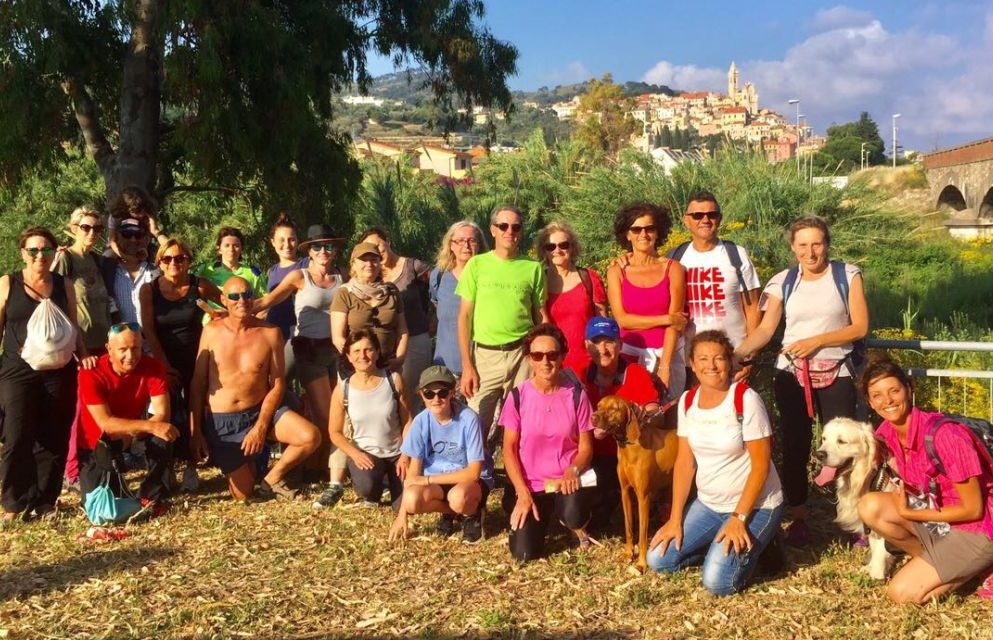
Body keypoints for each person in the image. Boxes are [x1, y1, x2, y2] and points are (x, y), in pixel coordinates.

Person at [736, 215, 869, 547]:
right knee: (795, 447)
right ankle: (798, 517)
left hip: (837, 372)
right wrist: (733, 356)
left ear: (827, 244)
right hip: (792, 375)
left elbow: (860, 327)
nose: (811, 253)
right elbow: (766, 330)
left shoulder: (847, 275)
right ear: (793, 248)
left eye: (817, 244)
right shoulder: (783, 281)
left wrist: (818, 341)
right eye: (803, 245)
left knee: (847, 448)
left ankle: (856, 520)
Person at [647, 330, 784, 596]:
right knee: (658, 559)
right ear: (692, 364)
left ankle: (764, 545)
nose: (711, 365)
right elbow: (685, 462)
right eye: (703, 359)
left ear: (730, 362)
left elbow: (761, 466)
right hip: (709, 504)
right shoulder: (688, 401)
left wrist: (738, 518)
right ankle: (720, 551)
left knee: (718, 583)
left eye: (719, 358)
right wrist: (675, 518)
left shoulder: (745, 400)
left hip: (756, 506)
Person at [856, 355, 993, 604]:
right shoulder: (886, 434)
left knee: (901, 594)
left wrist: (913, 514)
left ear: (909, 389)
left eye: (894, 391)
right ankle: (945, 563)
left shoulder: (945, 436)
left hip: (981, 529)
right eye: (877, 395)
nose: (887, 401)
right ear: (870, 401)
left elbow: (974, 510)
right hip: (942, 520)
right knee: (869, 506)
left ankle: (977, 567)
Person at [189, 277, 321, 501]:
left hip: (260, 411)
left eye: (247, 294)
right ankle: (252, 469)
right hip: (224, 422)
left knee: (310, 436)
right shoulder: (211, 331)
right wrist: (196, 432)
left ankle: (270, 480)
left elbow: (278, 383)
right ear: (223, 300)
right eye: (234, 296)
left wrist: (260, 426)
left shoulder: (270, 333)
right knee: (243, 495)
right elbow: (198, 382)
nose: (242, 300)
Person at [0, 227, 96, 522]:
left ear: (55, 253)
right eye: (33, 250)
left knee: (53, 435)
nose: (40, 255)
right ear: (23, 254)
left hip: (58, 370)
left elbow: (73, 325)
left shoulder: (63, 284)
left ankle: (45, 500)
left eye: (46, 250)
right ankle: (14, 502)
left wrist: (83, 354)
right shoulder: (7, 283)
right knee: (16, 435)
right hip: (18, 371)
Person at [255, 225, 346, 508]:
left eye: (328, 246)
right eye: (317, 247)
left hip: (337, 352)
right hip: (308, 350)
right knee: (327, 416)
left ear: (336, 250)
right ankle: (286, 474)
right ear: (308, 251)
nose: (323, 252)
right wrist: (234, 308)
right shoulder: (299, 276)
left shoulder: (343, 276)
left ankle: (315, 471)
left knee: (332, 416)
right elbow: (268, 301)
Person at [499, 323, 594, 561]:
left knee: (573, 514)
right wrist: (522, 493)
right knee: (523, 553)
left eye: (552, 355)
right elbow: (508, 449)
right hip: (531, 485)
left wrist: (573, 470)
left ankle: (574, 524)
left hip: (566, 482)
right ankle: (543, 520)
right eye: (537, 355)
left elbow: (586, 446)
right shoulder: (518, 396)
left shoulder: (576, 394)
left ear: (562, 356)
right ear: (529, 359)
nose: (545, 362)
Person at [458, 206, 548, 443]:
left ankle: (516, 477)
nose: (510, 231)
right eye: (503, 226)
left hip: (522, 355)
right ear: (493, 230)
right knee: (476, 424)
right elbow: (464, 317)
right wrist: (467, 366)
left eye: (516, 227)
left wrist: (549, 352)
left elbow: (541, 315)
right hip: (485, 356)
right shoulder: (476, 265)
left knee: (522, 422)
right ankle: (476, 478)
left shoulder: (533, 268)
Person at [139, 238, 222, 492]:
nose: (174, 263)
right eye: (168, 259)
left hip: (196, 357)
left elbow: (229, 304)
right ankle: (166, 468)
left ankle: (191, 464)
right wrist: (163, 365)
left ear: (188, 261)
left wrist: (218, 317)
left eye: (180, 258)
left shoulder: (199, 285)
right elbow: (149, 330)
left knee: (193, 410)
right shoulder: (149, 290)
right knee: (165, 411)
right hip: (162, 359)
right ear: (160, 262)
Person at [77, 323, 178, 515]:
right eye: (123, 349)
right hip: (99, 443)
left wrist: (134, 433)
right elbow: (105, 423)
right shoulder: (91, 372)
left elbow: (162, 414)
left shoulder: (154, 367)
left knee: (164, 433)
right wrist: (145, 427)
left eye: (135, 348)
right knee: (100, 508)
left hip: (131, 434)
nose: (130, 356)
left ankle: (152, 493)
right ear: (109, 349)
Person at [388, 365, 491, 544]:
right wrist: (402, 516)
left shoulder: (469, 419)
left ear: (452, 393)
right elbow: (413, 475)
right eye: (429, 394)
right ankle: (451, 513)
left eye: (442, 393)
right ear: (421, 394)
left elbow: (474, 473)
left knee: (457, 497)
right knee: (412, 500)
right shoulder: (420, 421)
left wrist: (427, 480)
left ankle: (472, 513)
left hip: (468, 481)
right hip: (439, 480)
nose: (436, 399)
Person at [578, 316, 661, 533]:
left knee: (604, 517)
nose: (602, 349)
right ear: (587, 345)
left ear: (620, 344)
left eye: (609, 342)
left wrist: (636, 415)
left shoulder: (635, 373)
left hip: (625, 454)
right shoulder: (578, 373)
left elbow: (654, 409)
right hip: (588, 453)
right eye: (596, 342)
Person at [667, 191, 761, 377]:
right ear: (686, 220)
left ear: (719, 219)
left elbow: (753, 308)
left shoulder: (737, 254)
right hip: (687, 361)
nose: (705, 220)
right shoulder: (675, 257)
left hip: (732, 359)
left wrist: (750, 357)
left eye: (712, 215)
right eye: (697, 215)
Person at [54, 206, 114, 486]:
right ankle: (72, 470)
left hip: (103, 344)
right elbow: (56, 301)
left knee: (99, 406)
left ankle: (94, 463)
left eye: (96, 228)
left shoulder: (96, 260)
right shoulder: (66, 259)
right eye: (85, 227)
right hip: (82, 347)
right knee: (80, 408)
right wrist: (80, 350)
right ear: (73, 228)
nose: (91, 233)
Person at [606, 203, 687, 402]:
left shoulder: (674, 269)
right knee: (632, 419)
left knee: (667, 419)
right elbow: (623, 320)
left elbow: (675, 326)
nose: (643, 234)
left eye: (649, 228)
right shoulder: (616, 271)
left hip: (667, 353)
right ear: (627, 234)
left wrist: (665, 366)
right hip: (629, 355)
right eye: (636, 229)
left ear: (658, 232)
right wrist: (667, 318)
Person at [328, 330, 413, 510]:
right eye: (356, 351)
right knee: (367, 484)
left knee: (406, 505)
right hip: (367, 454)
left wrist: (406, 454)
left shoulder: (393, 380)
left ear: (376, 353)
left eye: (368, 350)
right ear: (349, 357)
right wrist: (355, 454)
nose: (363, 356)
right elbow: (334, 432)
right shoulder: (342, 389)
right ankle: (373, 492)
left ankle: (394, 486)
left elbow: (408, 421)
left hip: (397, 453)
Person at [360, 227, 433, 412]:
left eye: (378, 244)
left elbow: (442, 289)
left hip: (416, 341)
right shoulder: (372, 275)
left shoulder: (413, 267)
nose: (376, 251)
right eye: (370, 249)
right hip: (385, 347)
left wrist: (436, 320)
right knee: (389, 399)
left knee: (415, 397)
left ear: (388, 241)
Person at [536, 221, 607, 375]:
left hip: (588, 364)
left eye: (563, 245)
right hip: (552, 365)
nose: (557, 250)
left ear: (572, 247)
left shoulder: (589, 278)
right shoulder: (539, 282)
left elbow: (602, 323)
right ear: (544, 251)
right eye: (551, 246)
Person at [331, 242, 408, 370]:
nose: (369, 264)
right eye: (363, 260)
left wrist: (400, 359)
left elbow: (402, 330)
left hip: (388, 365)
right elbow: (338, 337)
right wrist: (357, 361)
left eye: (374, 260)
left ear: (380, 263)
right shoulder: (344, 293)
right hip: (356, 368)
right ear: (353, 264)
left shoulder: (391, 291)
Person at [429, 221, 488, 378]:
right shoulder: (439, 276)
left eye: (472, 240)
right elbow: (437, 305)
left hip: (484, 367)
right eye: (460, 241)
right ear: (451, 245)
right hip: (446, 367)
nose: (466, 246)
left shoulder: (489, 276)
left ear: (480, 245)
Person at [196, 227, 267, 323]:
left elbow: (266, 303)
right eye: (227, 245)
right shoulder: (206, 270)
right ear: (219, 248)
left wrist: (253, 323)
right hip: (213, 326)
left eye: (236, 245)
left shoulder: (253, 273)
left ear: (242, 248)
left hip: (243, 329)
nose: (231, 249)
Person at [104, 217, 160, 325]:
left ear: (146, 238)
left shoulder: (158, 266)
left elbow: (181, 254)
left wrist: (156, 232)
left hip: (153, 338)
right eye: (126, 234)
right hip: (121, 338)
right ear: (117, 237)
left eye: (138, 235)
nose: (133, 240)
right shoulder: (105, 268)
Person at [265, 213, 307, 343]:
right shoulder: (271, 271)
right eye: (281, 240)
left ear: (298, 240)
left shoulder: (307, 265)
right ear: (272, 242)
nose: (287, 244)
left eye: (291, 239)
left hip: (297, 336)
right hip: (273, 335)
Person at [105, 186, 170, 259]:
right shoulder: (115, 216)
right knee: (107, 258)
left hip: (144, 248)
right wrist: (125, 256)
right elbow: (112, 241)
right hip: (119, 248)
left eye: (142, 209)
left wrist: (155, 231)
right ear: (126, 208)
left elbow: (170, 248)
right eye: (136, 211)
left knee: (167, 255)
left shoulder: (148, 215)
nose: (141, 214)